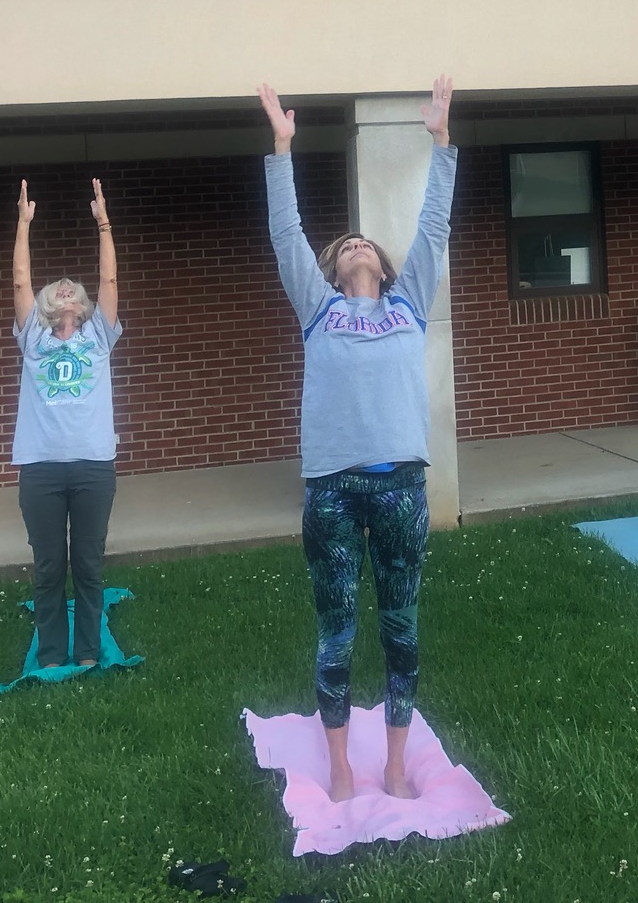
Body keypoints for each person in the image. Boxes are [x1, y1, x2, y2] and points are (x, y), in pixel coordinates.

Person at [258, 75, 456, 803]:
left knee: (401, 629)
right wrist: (282, 149)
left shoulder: (410, 304)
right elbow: (286, 234)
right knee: (337, 630)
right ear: (333, 269)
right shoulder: (318, 310)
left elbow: (433, 227)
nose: (360, 245)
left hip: (402, 485)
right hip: (333, 492)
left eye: (367, 242)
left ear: (384, 265)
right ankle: (341, 767)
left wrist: (442, 142)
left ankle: (397, 765)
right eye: (347, 245)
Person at [10, 177, 122, 670]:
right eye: (56, 288)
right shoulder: (33, 338)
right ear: (47, 305)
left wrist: (103, 223)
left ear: (81, 302)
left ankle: (89, 653)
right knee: (49, 566)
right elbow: (20, 281)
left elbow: (109, 282)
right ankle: (53, 654)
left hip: (93, 465)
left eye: (72, 288)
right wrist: (23, 223)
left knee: (89, 565)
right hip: (41, 468)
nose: (65, 286)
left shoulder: (98, 335)